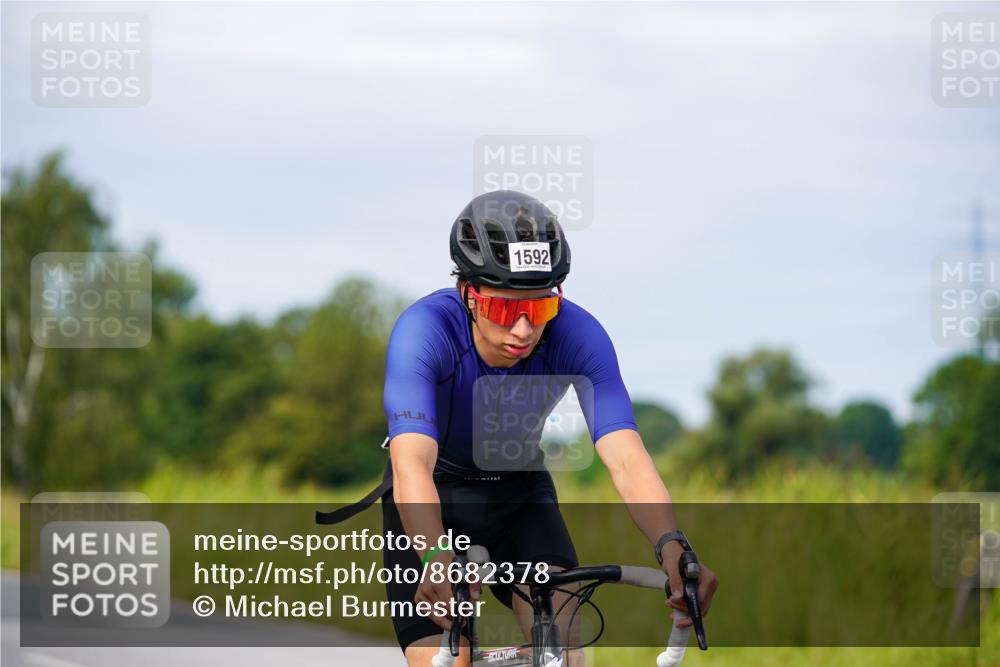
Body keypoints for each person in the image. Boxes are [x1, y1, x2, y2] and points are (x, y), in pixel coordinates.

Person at [380, 190, 718, 666]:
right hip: (431, 495)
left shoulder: (578, 334)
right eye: (503, 309)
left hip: (517, 494)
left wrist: (671, 543)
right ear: (467, 295)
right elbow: (411, 462)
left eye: (539, 308)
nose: (523, 329)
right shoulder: (425, 331)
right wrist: (435, 554)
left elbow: (625, 456)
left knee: (566, 647)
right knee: (444, 658)